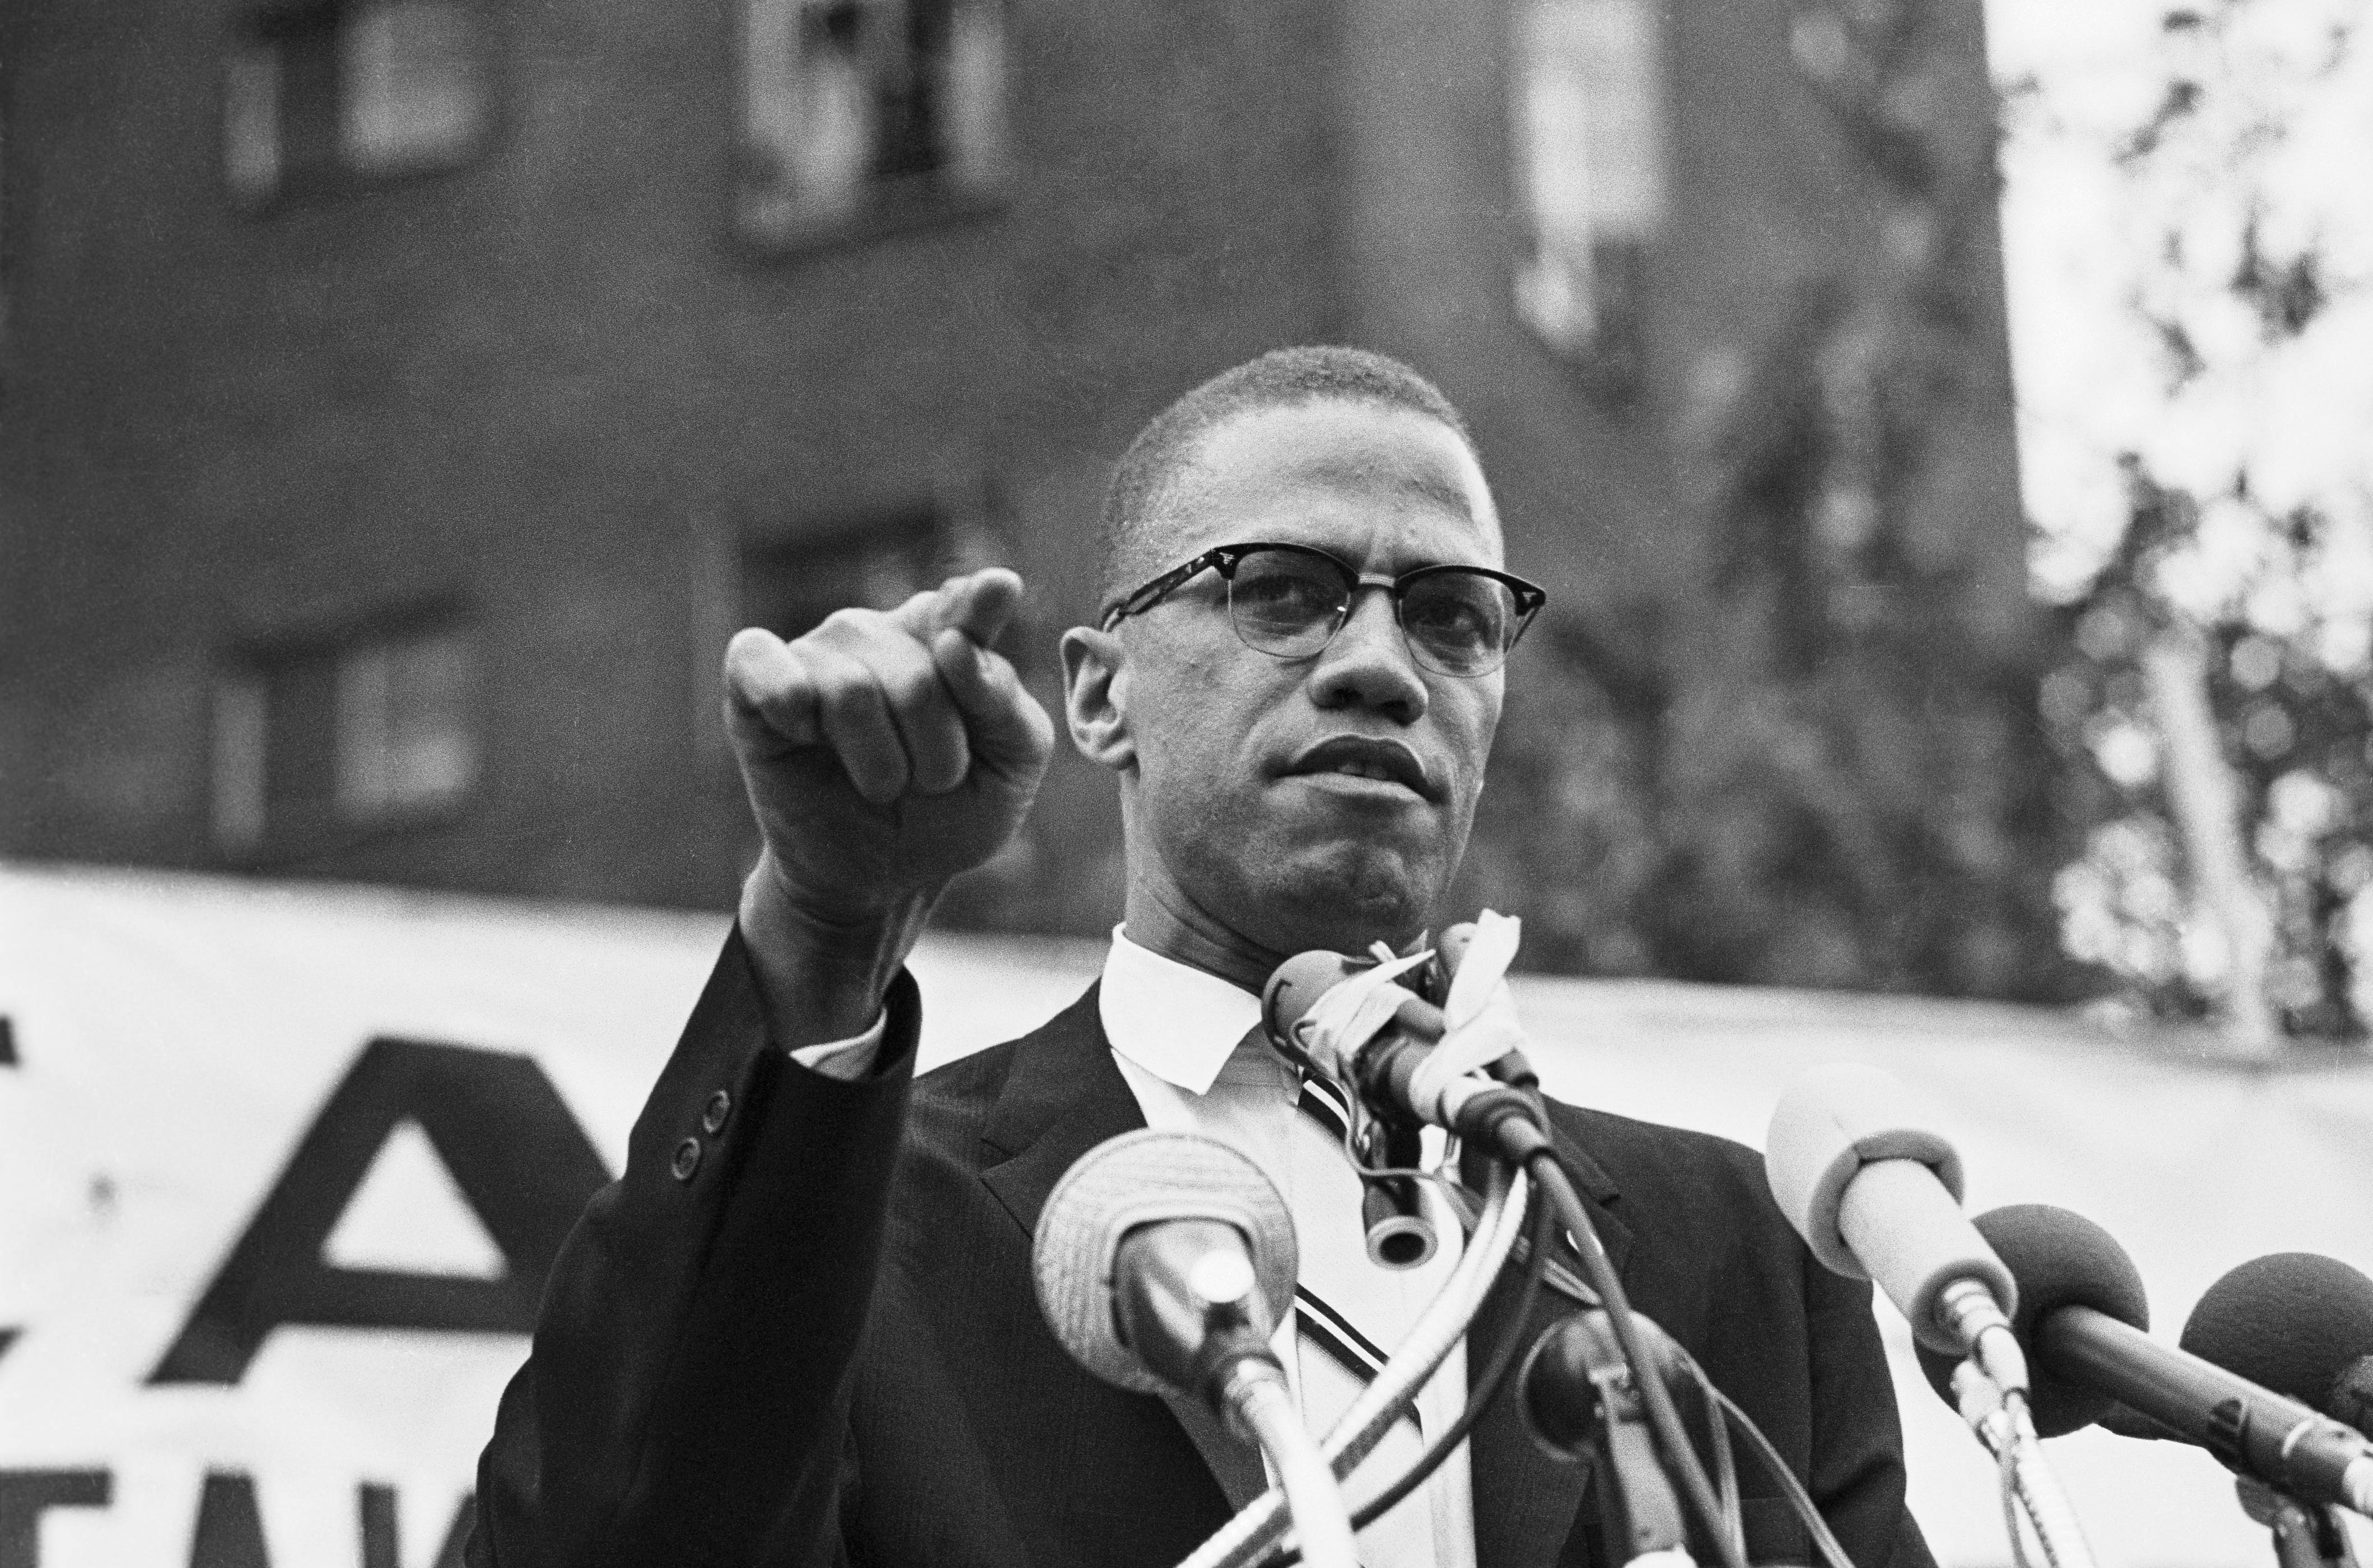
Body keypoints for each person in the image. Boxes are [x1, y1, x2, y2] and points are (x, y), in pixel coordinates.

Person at [466, 347, 1934, 1568]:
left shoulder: (1730, 1249)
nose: (1376, 665)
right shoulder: (864, 1219)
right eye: (1279, 593)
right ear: (1099, 699)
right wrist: (823, 927)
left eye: (1450, 617)